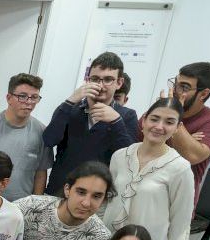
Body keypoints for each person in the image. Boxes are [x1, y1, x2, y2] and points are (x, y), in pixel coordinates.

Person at [103, 97, 194, 240]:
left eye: (169, 122)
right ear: (144, 120)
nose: (159, 126)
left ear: (177, 128)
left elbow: (181, 220)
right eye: (154, 119)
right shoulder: (120, 156)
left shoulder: (180, 167)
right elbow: (106, 200)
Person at [42, 51, 138, 194]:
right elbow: (49, 140)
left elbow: (128, 160)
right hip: (60, 191)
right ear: (87, 80)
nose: (101, 85)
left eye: (108, 79)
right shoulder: (69, 108)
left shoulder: (126, 116)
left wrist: (116, 122)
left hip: (96, 196)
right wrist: (70, 101)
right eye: (95, 79)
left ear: (119, 83)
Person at [11, 161, 113, 240]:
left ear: (104, 199)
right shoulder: (30, 207)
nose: (86, 203)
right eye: (81, 192)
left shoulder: (100, 238)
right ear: (67, 189)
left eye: (96, 196)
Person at [0, 73, 54, 201]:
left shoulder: (42, 133)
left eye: (34, 97)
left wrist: (35, 205)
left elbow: (41, 174)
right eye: (22, 96)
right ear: (9, 98)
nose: (29, 102)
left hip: (22, 206)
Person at [158, 62, 210, 201]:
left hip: (177, 201)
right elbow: (138, 144)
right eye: (175, 84)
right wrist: (186, 140)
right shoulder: (160, 110)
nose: (175, 90)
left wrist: (173, 116)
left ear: (203, 94)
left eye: (184, 87)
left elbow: (192, 155)